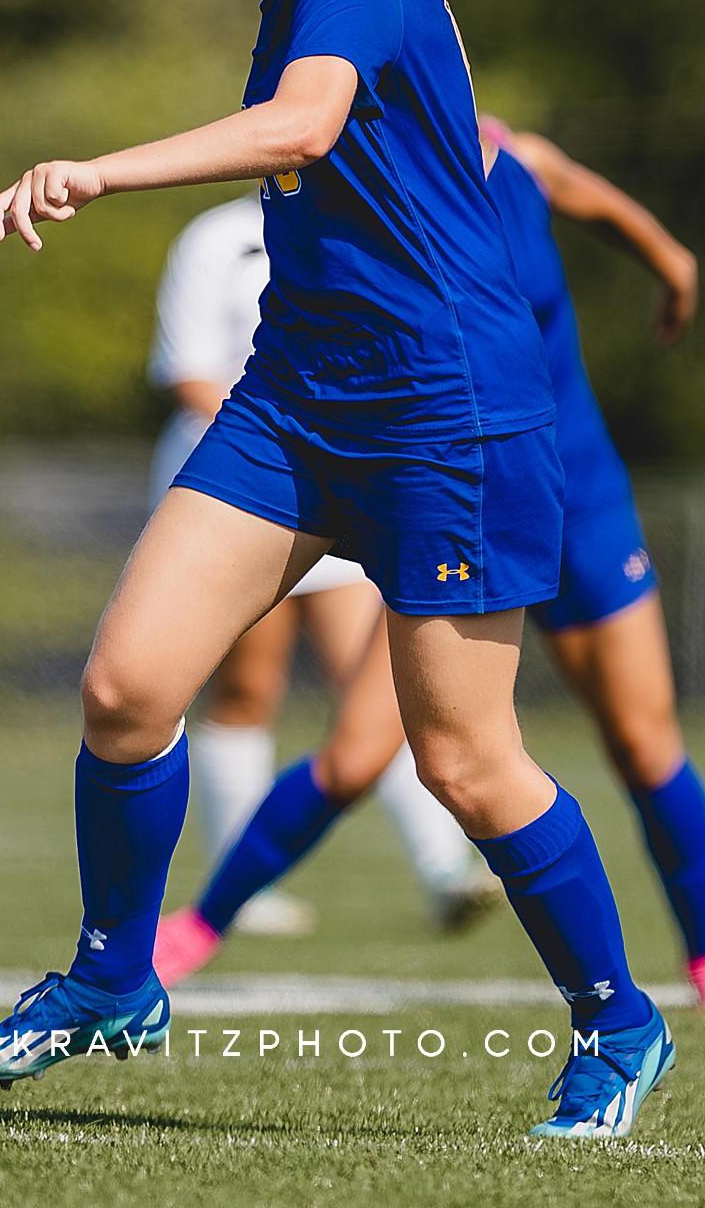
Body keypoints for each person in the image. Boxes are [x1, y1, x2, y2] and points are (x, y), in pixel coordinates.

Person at [0, 0, 674, 1139]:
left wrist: (102, 166)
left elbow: (304, 124)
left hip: (447, 407)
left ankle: (619, 1024)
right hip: (301, 390)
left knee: (468, 764)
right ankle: (115, 976)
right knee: (125, 688)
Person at [154, 116, 705, 1015]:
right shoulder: (372, 193)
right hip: (467, 508)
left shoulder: (512, 156)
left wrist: (671, 262)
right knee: (359, 755)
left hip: (581, 505)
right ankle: (194, 932)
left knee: (643, 741)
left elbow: (584, 195)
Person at [149, 193, 502, 935]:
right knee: (248, 688)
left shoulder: (367, 224)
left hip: (339, 486)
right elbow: (189, 374)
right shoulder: (217, 239)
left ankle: (444, 870)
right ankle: (241, 888)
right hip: (245, 488)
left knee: (390, 689)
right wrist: (277, 452)